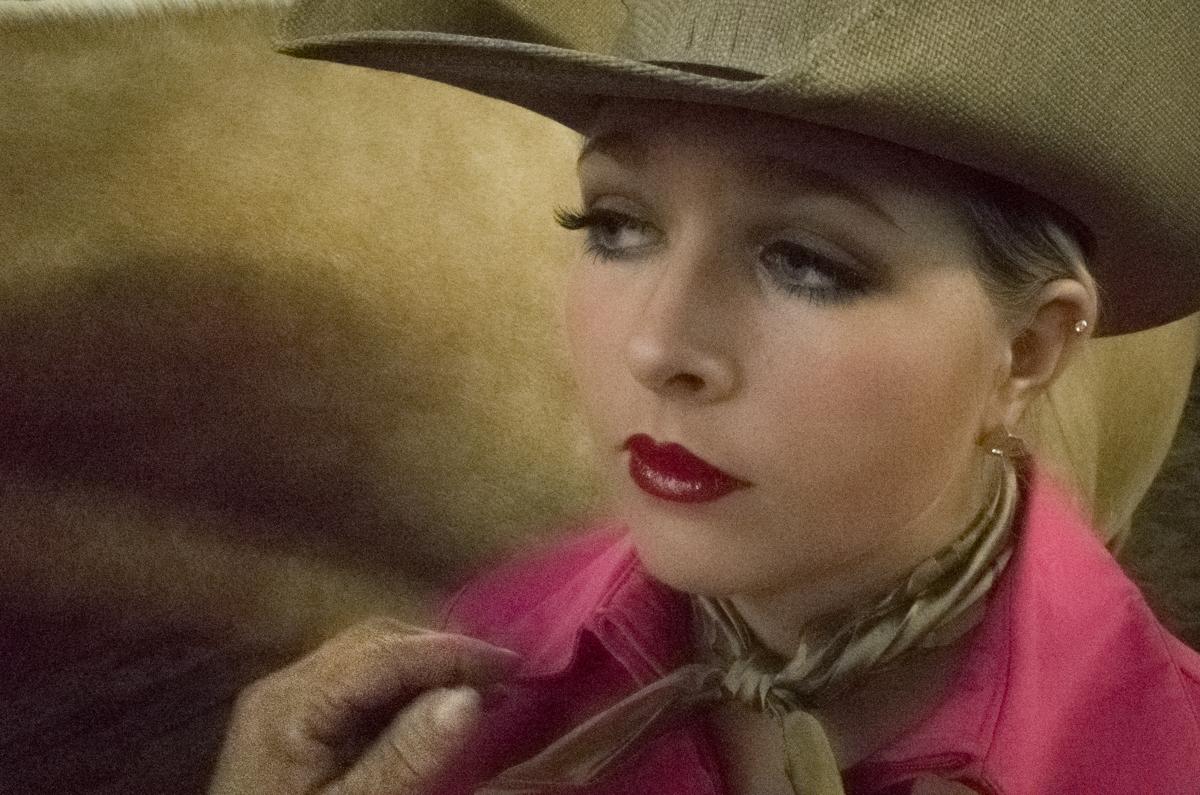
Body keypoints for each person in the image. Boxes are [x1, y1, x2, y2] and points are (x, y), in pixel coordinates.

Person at [210, 2, 1200, 793]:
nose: (657, 345)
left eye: (807, 261)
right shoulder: (487, 669)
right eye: (615, 224)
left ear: (1026, 351)